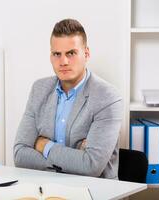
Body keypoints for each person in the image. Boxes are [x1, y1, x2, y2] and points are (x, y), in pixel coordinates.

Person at [13, 18, 123, 179]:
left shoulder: (108, 98)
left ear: (86, 54)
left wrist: (44, 145)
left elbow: (90, 166)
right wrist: (75, 155)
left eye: (71, 53)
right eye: (57, 54)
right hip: (47, 188)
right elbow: (20, 154)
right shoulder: (39, 89)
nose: (63, 61)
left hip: (94, 191)